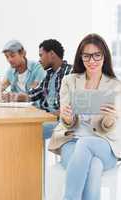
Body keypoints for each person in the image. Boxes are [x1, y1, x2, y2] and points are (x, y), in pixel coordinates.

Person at [49, 33, 121, 200]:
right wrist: (67, 118)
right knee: (94, 166)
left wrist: (110, 119)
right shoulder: (69, 81)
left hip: (104, 143)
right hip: (72, 140)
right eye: (87, 56)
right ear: (81, 58)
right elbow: (66, 121)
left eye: (97, 55)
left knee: (86, 142)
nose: (92, 60)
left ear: (104, 57)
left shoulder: (115, 85)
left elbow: (111, 125)